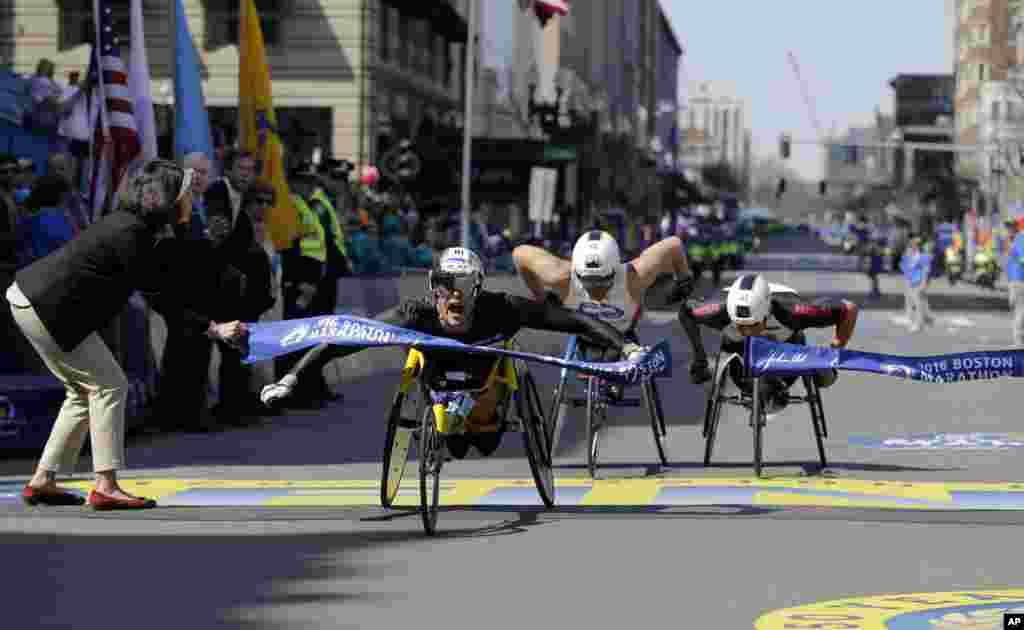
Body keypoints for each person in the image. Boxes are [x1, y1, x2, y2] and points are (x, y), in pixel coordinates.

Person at [6, 159, 249, 509]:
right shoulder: (131, 234)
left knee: (82, 392)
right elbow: (162, 295)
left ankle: (44, 480)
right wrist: (213, 327)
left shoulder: (133, 227)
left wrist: (202, 242)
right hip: (46, 306)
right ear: (164, 198)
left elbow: (171, 266)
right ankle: (105, 485)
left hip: (32, 300)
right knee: (109, 385)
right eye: (184, 194)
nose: (191, 201)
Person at [259, 247, 644, 459]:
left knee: (483, 443)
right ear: (433, 288)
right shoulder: (413, 314)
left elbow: (572, 320)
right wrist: (291, 378)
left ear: (478, 288)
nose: (454, 294)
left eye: (462, 284)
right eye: (445, 285)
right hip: (438, 387)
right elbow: (342, 339)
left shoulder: (503, 308)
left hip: (486, 392)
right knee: (456, 447)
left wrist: (625, 345)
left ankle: (488, 412)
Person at [679, 274, 859, 413]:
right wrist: (699, 357)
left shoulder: (793, 312)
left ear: (767, 314)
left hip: (786, 351)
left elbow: (849, 309)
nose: (748, 331)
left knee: (826, 379)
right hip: (739, 355)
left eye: (754, 325)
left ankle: (791, 382)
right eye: (741, 326)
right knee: (703, 370)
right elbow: (686, 311)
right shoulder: (718, 312)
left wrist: (834, 351)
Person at [512, 230, 695, 334]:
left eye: (602, 282)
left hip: (623, 335)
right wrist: (540, 296)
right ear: (576, 271)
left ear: (616, 270)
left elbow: (674, 244)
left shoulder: (635, 275)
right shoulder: (560, 275)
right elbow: (519, 254)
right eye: (587, 281)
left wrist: (683, 281)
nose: (595, 290)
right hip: (582, 332)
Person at [900, 236, 933, 333]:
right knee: (919, 302)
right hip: (912, 282)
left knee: (918, 304)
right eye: (912, 245)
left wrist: (923, 284)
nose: (913, 247)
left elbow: (926, 271)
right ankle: (927, 318)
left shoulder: (923, 257)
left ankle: (919, 324)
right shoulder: (910, 256)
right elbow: (905, 268)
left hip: (919, 282)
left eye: (915, 245)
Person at [1006, 217, 1024, 347]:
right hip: (1016, 280)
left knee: (1019, 309)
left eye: (1011, 227)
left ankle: (1018, 340)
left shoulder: (1020, 239)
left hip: (1019, 280)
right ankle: (1018, 339)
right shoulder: (1016, 240)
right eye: (1008, 227)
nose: (1008, 230)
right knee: (1018, 309)